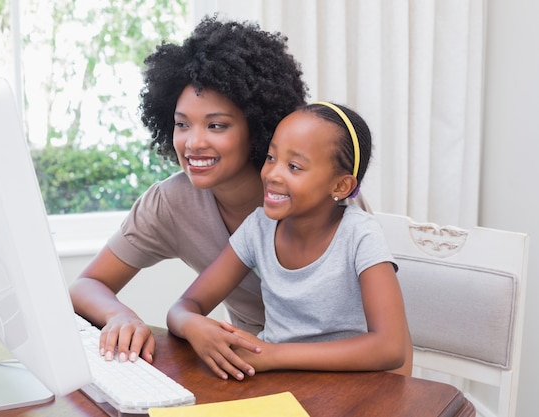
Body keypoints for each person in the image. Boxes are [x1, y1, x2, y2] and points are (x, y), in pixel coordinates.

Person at [70, 15, 369, 365]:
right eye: (182, 125)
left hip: (344, 370)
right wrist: (120, 317)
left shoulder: (315, 193)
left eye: (216, 125)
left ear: (258, 126)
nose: (193, 143)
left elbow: (387, 338)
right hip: (249, 366)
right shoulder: (171, 203)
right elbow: (86, 285)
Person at [166, 102, 413, 381]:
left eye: (294, 166)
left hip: (348, 388)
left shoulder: (360, 235)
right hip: (275, 383)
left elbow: (390, 348)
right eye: (271, 158)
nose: (272, 174)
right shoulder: (258, 228)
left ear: (340, 186)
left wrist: (272, 355)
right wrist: (194, 325)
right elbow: (184, 306)